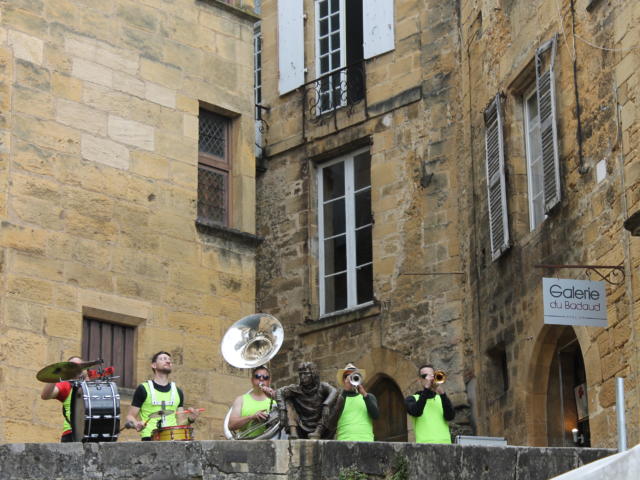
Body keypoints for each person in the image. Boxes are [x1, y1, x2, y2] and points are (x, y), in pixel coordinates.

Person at [125, 351, 197, 440]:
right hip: (150, 438)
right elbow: (130, 416)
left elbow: (181, 422)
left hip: (172, 439)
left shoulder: (178, 392)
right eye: (163, 359)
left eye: (169, 360)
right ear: (154, 365)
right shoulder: (143, 388)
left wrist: (190, 419)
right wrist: (136, 424)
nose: (168, 361)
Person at [276, 361, 338, 439]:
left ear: (313, 374)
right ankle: (293, 431)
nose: (302, 377)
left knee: (338, 400)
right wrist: (282, 410)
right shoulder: (297, 389)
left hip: (321, 426)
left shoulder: (322, 387)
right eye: (301, 374)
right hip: (302, 426)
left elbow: (334, 391)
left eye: (306, 374)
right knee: (287, 398)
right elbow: (279, 391)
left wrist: (327, 405)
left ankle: (319, 430)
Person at [40, 356, 86, 442]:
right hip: (71, 433)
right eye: (72, 366)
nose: (76, 369)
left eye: (79, 366)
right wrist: (55, 376)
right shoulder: (66, 385)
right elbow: (45, 395)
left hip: (92, 431)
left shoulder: (92, 385)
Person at [405, 364, 455, 444]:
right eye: (425, 376)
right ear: (420, 380)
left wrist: (441, 392)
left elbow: (450, 416)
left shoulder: (441, 398)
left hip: (446, 446)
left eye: (432, 375)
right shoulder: (412, 399)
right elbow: (417, 412)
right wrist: (426, 388)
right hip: (424, 446)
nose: (429, 379)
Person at [228, 365, 276, 438]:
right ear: (252, 380)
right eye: (257, 376)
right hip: (248, 443)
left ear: (269, 381)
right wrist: (252, 417)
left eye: (265, 377)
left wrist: (276, 397)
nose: (261, 379)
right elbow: (231, 425)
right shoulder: (241, 399)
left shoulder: (276, 400)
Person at [334, 363, 379, 441]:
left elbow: (376, 415)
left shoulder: (369, 397)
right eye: (347, 376)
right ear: (344, 380)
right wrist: (345, 391)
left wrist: (364, 394)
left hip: (367, 441)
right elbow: (334, 418)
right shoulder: (339, 398)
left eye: (354, 375)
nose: (351, 379)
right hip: (344, 441)